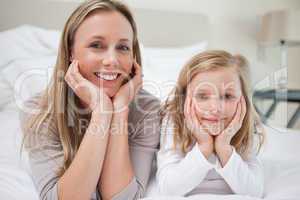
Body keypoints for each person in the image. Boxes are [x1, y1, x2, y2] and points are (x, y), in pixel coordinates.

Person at [19, 0, 160, 199]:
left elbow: (122, 198)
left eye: (123, 47)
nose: (112, 60)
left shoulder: (147, 109)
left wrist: (119, 110)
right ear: (71, 52)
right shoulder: (39, 110)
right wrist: (101, 111)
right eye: (96, 45)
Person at [156, 50, 265, 197]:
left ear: (243, 100)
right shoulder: (174, 121)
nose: (215, 108)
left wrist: (224, 147)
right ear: (184, 100)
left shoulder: (245, 125)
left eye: (228, 96)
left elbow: (254, 191)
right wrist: (204, 147)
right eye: (202, 96)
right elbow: (168, 190)